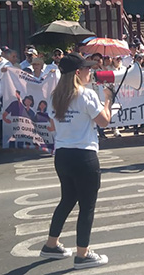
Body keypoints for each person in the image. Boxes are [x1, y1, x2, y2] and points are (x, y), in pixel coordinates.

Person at [39, 53, 112, 269]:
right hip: (84, 155)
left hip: (62, 154)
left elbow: (53, 125)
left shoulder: (54, 96)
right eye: (87, 69)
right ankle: (83, 254)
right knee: (87, 206)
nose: (90, 72)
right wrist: (107, 99)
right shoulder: (86, 94)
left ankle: (51, 244)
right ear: (78, 73)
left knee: (67, 200)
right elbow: (104, 122)